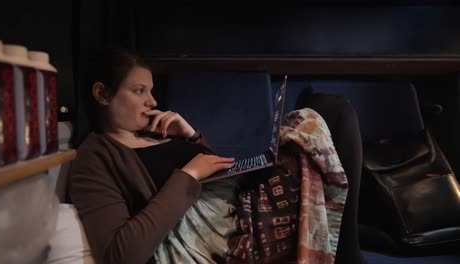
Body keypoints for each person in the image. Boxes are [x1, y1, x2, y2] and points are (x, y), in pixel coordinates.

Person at [69, 48, 366, 264]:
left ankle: (351, 246)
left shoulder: (154, 132)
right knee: (330, 111)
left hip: (248, 192)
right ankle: (349, 254)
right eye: (139, 90)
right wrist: (187, 176)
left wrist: (191, 137)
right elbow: (119, 255)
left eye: (151, 90)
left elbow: (216, 171)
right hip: (239, 226)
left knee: (320, 112)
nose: (153, 101)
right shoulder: (94, 158)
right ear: (102, 94)